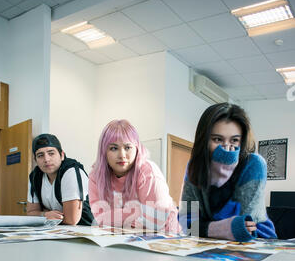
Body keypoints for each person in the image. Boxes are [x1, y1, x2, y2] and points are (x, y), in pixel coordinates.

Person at [180, 103, 276, 241]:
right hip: (210, 243)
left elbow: (245, 228)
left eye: (235, 140)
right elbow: (187, 222)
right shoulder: (195, 167)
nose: (227, 147)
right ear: (204, 140)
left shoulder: (253, 164)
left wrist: (205, 227)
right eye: (217, 139)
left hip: (259, 241)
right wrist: (221, 228)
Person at [88, 119, 180, 234]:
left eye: (127, 147)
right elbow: (100, 217)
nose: (122, 155)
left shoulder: (148, 172)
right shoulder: (96, 175)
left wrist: (116, 217)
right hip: (123, 235)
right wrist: (137, 212)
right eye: (114, 148)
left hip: (165, 235)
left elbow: (154, 222)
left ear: (137, 149)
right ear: (104, 152)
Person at [27, 134, 93, 225]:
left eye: (51, 153)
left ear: (62, 155)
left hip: (88, 229)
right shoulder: (35, 176)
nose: (46, 159)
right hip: (57, 231)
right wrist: (45, 214)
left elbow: (71, 220)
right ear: (35, 160)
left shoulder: (71, 171)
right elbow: (30, 213)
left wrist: (42, 215)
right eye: (40, 155)